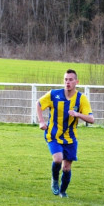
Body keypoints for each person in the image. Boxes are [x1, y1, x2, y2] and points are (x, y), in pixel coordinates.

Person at [36, 69, 95, 198]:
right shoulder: (54, 94)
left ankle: (63, 191)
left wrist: (77, 114)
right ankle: (55, 180)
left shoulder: (81, 99)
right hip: (53, 135)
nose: (67, 82)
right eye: (66, 80)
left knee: (67, 168)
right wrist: (41, 121)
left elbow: (91, 119)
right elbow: (39, 104)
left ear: (76, 82)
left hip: (70, 138)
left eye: (70, 80)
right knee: (57, 159)